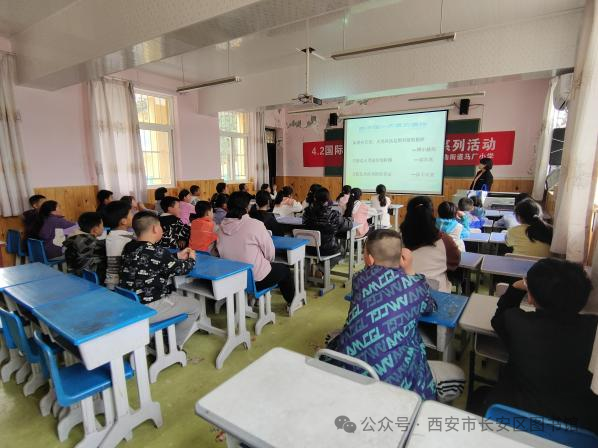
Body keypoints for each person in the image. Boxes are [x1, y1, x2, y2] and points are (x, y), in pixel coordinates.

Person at [469, 259, 598, 434]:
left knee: (478, 396)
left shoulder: (517, 322)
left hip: (515, 423)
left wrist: (515, 287)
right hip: (580, 434)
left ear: (530, 298)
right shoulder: (593, 328)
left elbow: (498, 318)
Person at [327, 229, 437, 399]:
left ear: (370, 258)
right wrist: (410, 270)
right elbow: (430, 306)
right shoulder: (415, 285)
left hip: (348, 366)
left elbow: (373, 278)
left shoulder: (359, 279)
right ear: (402, 256)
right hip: (393, 376)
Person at [119, 211, 201, 348]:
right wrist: (192, 258)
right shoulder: (157, 251)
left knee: (176, 296)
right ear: (155, 229)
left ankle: (161, 337)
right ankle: (172, 347)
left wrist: (176, 256)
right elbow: (183, 269)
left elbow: (152, 261)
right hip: (148, 307)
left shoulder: (129, 247)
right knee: (195, 306)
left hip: (130, 303)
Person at [217, 192, 295, 307]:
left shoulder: (220, 228)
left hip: (232, 278)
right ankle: (291, 302)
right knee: (285, 270)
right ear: (246, 207)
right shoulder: (255, 224)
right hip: (256, 279)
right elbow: (270, 253)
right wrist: (266, 261)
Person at [400, 196, 460, 292]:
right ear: (432, 214)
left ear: (408, 214)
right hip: (437, 294)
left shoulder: (398, 240)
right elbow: (454, 262)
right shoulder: (444, 240)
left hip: (406, 292)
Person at [303, 187, 352, 268]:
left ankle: (316, 267)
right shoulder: (334, 215)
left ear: (315, 199)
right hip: (328, 250)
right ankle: (321, 269)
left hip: (309, 248)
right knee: (342, 250)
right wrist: (349, 220)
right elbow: (348, 225)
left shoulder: (306, 213)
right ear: (328, 200)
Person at [63, 211, 106, 282]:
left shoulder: (74, 237)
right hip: (89, 280)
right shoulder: (91, 243)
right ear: (95, 229)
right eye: (102, 225)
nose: (103, 228)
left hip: (74, 276)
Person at [104, 200, 134, 290]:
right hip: (121, 286)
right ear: (123, 221)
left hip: (111, 283)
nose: (133, 216)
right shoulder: (127, 240)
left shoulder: (110, 236)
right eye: (131, 213)